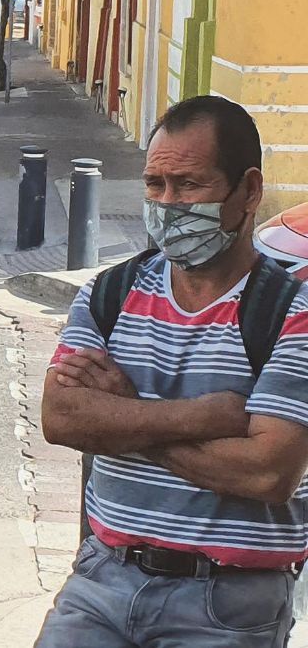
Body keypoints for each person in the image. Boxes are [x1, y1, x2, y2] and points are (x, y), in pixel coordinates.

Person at [36, 96, 308, 646]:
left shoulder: (291, 314)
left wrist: (123, 414)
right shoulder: (110, 293)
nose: (167, 205)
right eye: (154, 186)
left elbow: (267, 474)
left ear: (248, 191)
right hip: (101, 581)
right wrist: (210, 416)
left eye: (188, 187)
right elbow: (61, 418)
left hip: (229, 603)